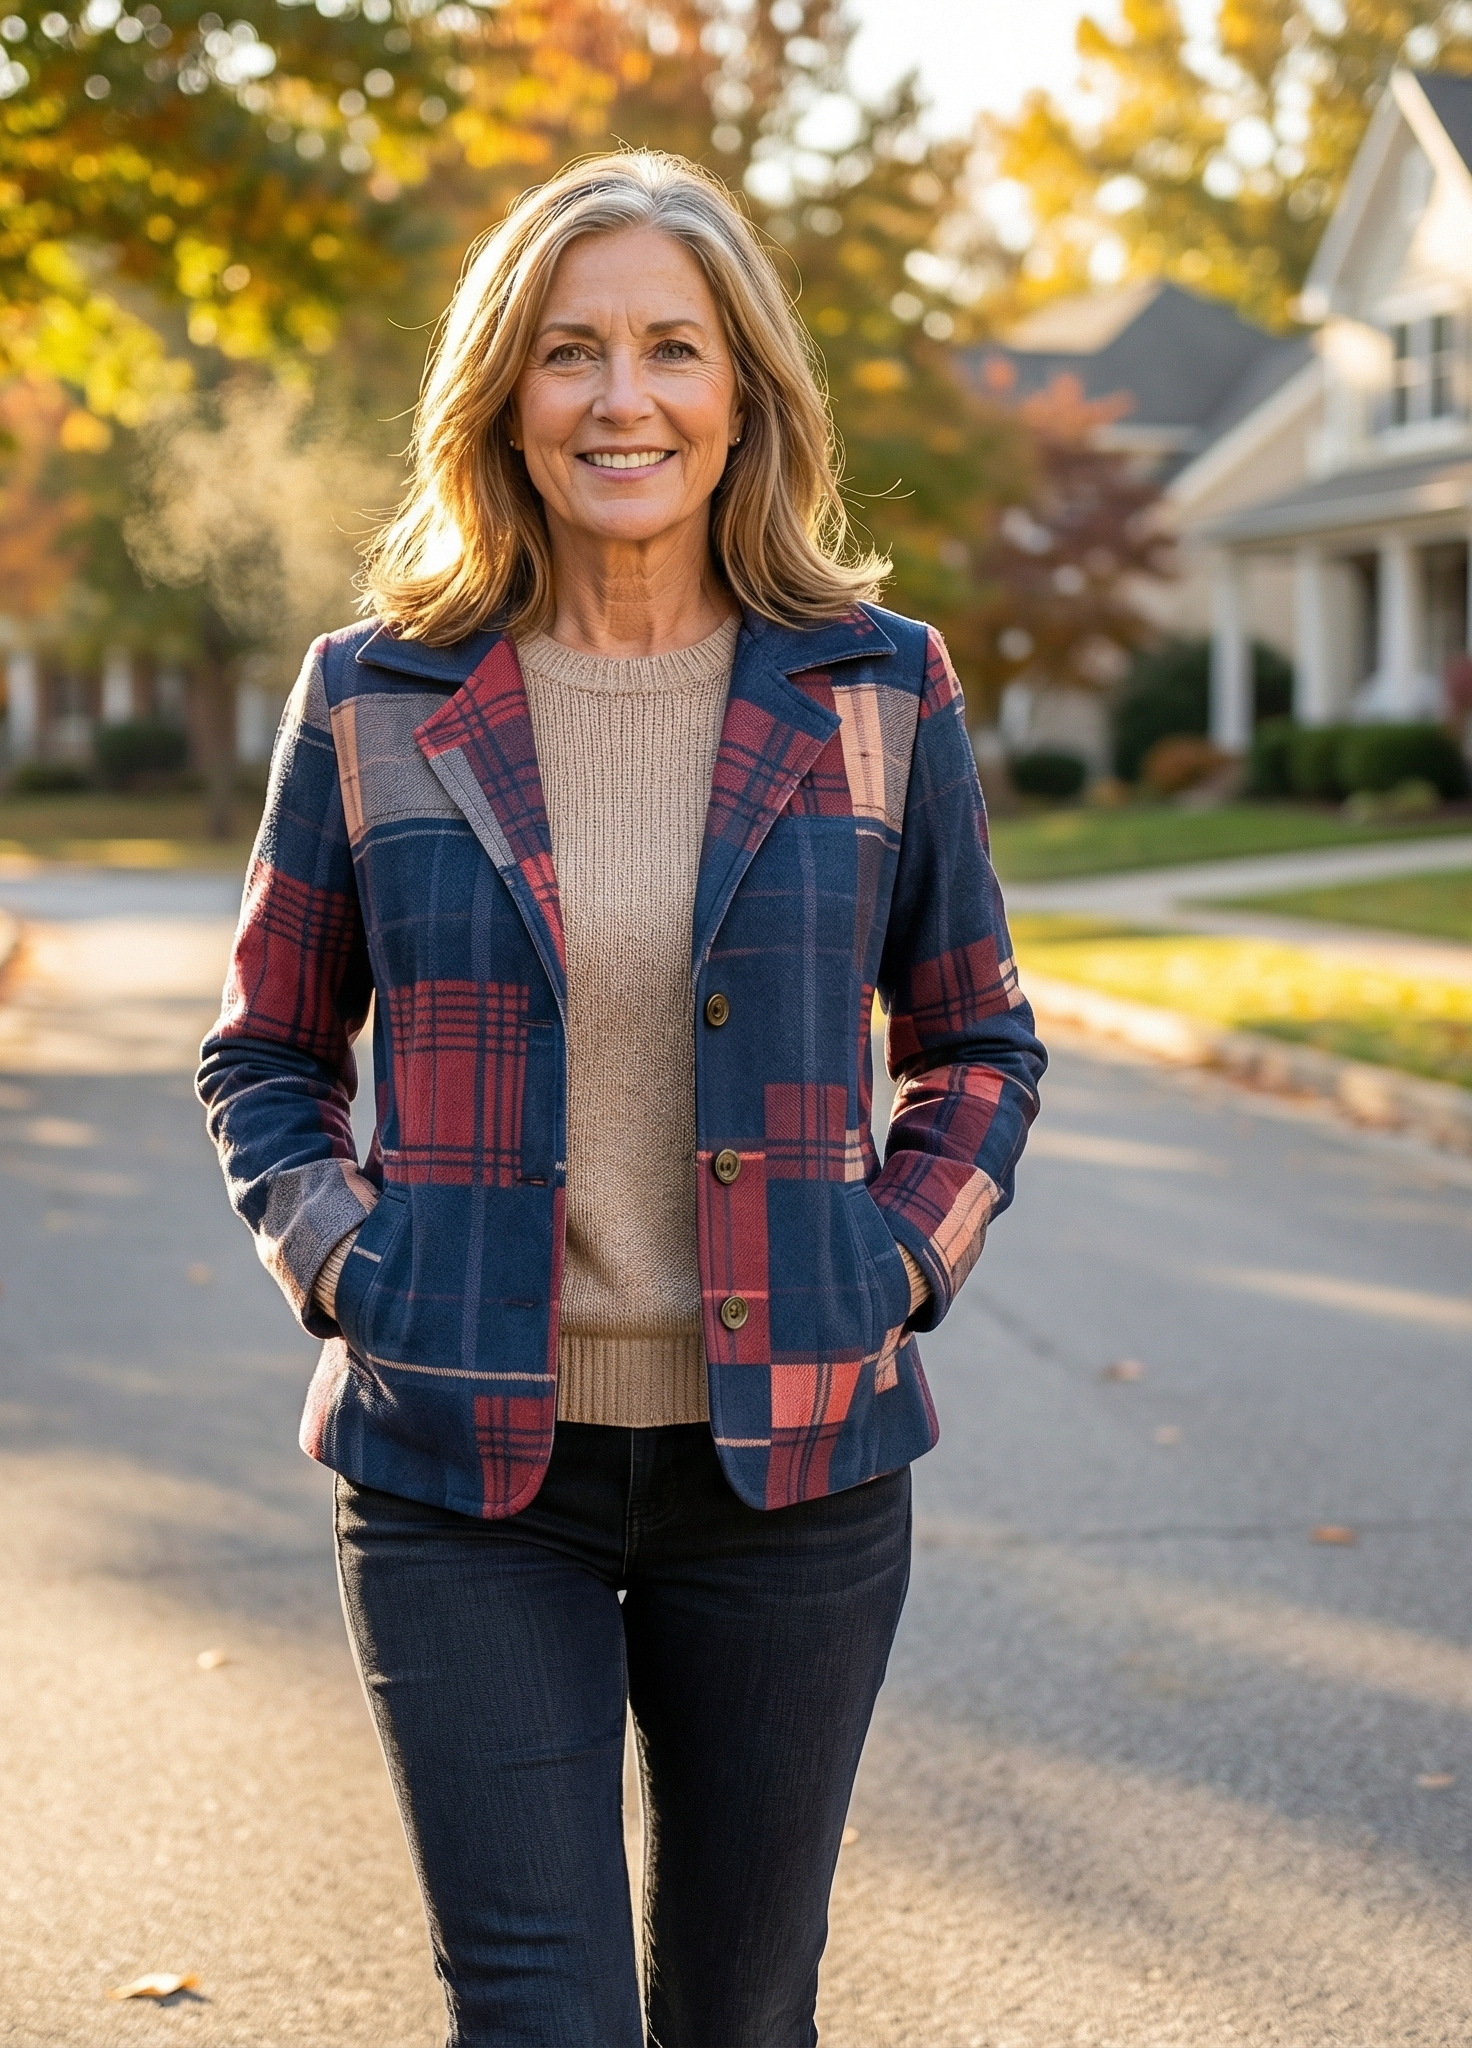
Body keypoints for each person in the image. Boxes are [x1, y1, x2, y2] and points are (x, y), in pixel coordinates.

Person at [197, 150, 1045, 2048]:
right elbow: (263, 1049)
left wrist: (895, 1265)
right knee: (539, 2012)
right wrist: (348, 1269)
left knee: (745, 2015)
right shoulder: (377, 697)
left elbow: (980, 1040)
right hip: (462, 1467)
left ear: (745, 391)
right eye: (571, 351)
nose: (623, 397)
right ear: (506, 390)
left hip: (799, 1471)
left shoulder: (877, 690)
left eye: (673, 347)